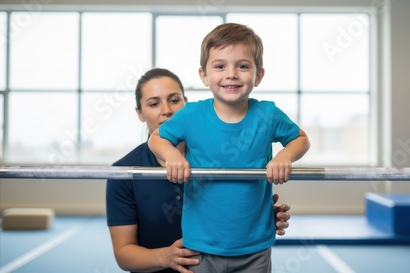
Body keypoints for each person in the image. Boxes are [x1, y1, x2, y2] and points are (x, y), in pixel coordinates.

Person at [149, 23, 310, 272]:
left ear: (258, 76)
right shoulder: (191, 115)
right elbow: (156, 139)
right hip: (200, 248)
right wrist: (172, 155)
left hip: (254, 248)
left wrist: (284, 156)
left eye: (243, 66)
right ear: (204, 75)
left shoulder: (268, 114)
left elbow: (301, 138)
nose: (231, 74)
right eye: (220, 66)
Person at [106, 68, 292, 273]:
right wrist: (166, 257)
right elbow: (124, 254)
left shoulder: (216, 155)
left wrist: (255, 217)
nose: (166, 110)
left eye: (174, 100)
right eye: (154, 103)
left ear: (185, 104)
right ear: (140, 113)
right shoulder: (124, 172)